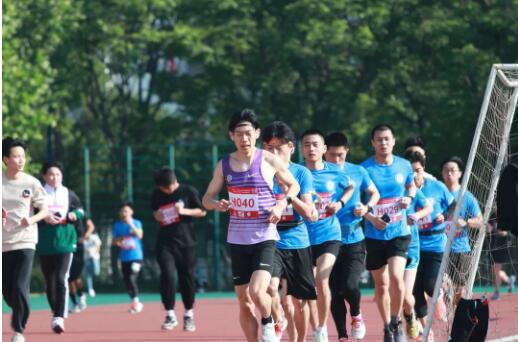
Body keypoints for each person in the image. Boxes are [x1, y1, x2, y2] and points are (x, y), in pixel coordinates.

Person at [202, 109, 300, 342]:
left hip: (264, 236)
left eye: (248, 133)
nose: (244, 139)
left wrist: (280, 205)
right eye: (239, 134)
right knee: (244, 301)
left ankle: (268, 320)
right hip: (237, 239)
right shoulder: (224, 165)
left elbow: (294, 187)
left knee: (258, 291)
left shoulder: (268, 159)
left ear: (256, 133)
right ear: (231, 136)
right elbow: (206, 199)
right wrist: (218, 204)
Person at [263, 121, 318, 342]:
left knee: (299, 301)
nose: (274, 153)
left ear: (291, 147)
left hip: (296, 239)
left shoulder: (301, 173)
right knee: (268, 286)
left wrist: (289, 195)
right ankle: (279, 319)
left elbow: (310, 214)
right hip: (269, 239)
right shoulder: (259, 172)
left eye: (279, 147)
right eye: (269, 147)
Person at [361, 124, 416, 342]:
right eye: (378, 139)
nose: (383, 143)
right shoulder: (364, 169)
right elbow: (358, 204)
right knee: (381, 285)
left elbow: (411, 187)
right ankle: (386, 327)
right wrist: (372, 218)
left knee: (396, 278)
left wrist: (408, 198)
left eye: (387, 139)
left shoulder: (404, 165)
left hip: (399, 232)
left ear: (393, 141)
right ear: (372, 143)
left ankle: (396, 322)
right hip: (374, 234)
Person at [324, 132, 380, 342]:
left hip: (354, 238)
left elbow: (374, 193)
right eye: (332, 155)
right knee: (334, 291)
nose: (337, 160)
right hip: (326, 240)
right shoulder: (317, 174)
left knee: (350, 285)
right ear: (324, 152)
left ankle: (356, 315)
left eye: (340, 155)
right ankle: (342, 335)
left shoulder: (358, 171)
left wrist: (366, 207)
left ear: (347, 151)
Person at [301, 129, 354, 342]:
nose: (311, 148)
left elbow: (350, 187)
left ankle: (322, 328)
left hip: (329, 235)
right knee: (309, 288)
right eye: (306, 144)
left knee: (322, 281)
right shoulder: (296, 173)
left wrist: (339, 203)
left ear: (324, 149)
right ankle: (316, 327)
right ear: (301, 149)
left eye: (315, 144)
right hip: (303, 238)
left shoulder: (336, 171)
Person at [2, 137, 48, 342]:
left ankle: (18, 330)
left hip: (25, 240)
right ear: (5, 159)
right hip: (3, 243)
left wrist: (31, 219)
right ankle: (21, 305)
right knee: (7, 292)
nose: (21, 160)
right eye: (16, 156)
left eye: (23, 156)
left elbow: (44, 210)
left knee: (20, 286)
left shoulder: (31, 182)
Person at [404, 151, 453, 342]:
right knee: (414, 292)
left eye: (418, 170)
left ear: (423, 169)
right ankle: (426, 331)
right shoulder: (404, 190)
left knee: (430, 285)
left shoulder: (436, 187)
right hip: (414, 245)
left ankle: (439, 293)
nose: (415, 175)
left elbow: (451, 204)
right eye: (411, 171)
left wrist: (445, 215)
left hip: (435, 244)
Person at [152, 166, 207, 332]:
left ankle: (188, 314)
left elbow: (202, 211)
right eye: (163, 189)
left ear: (174, 182)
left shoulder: (188, 191)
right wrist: (158, 216)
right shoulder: (157, 194)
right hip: (165, 242)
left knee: (187, 278)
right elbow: (154, 212)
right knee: (167, 275)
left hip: (186, 243)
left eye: (169, 188)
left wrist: (183, 211)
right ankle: (170, 314)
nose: (167, 191)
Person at [38, 161, 85, 334]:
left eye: (57, 174)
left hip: (66, 240)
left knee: (60, 277)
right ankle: (55, 311)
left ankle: (59, 317)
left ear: (62, 176)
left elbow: (81, 210)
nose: (54, 177)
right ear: (44, 176)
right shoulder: (39, 193)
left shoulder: (69, 194)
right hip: (45, 241)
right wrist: (43, 217)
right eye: (50, 174)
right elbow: (30, 212)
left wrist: (75, 214)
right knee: (49, 282)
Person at [441, 156, 483, 305]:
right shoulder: (438, 193)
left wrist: (466, 223)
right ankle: (447, 294)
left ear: (460, 174)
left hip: (461, 248)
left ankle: (456, 315)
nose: (449, 174)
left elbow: (480, 220)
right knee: (442, 283)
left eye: (453, 170)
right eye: (446, 170)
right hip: (440, 247)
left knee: (460, 290)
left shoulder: (467, 197)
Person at [112, 202, 145, 313]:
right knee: (127, 281)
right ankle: (135, 303)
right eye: (122, 211)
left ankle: (136, 301)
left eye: (126, 211)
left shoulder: (137, 222)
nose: (124, 213)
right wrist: (119, 240)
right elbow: (114, 241)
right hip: (124, 257)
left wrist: (131, 224)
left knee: (132, 278)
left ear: (131, 212)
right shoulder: (117, 225)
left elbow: (140, 235)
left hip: (136, 257)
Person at [69, 217, 95, 313]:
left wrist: (85, 236)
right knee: (68, 278)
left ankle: (81, 296)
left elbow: (91, 226)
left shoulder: (80, 213)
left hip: (78, 249)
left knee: (76, 276)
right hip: (65, 247)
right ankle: (74, 303)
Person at [487, 213, 515, 300]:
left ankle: (497, 293)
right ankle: (509, 280)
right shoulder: (492, 216)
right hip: (493, 248)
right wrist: (488, 227)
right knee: (494, 271)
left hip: (502, 248)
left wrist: (504, 232)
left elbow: (507, 233)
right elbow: (489, 229)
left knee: (496, 270)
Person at [84, 229, 102, 297]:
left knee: (96, 271)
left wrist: (95, 252)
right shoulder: (83, 239)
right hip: (87, 258)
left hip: (95, 257)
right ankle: (90, 289)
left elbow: (98, 245)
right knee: (88, 274)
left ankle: (97, 286)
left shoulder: (94, 237)